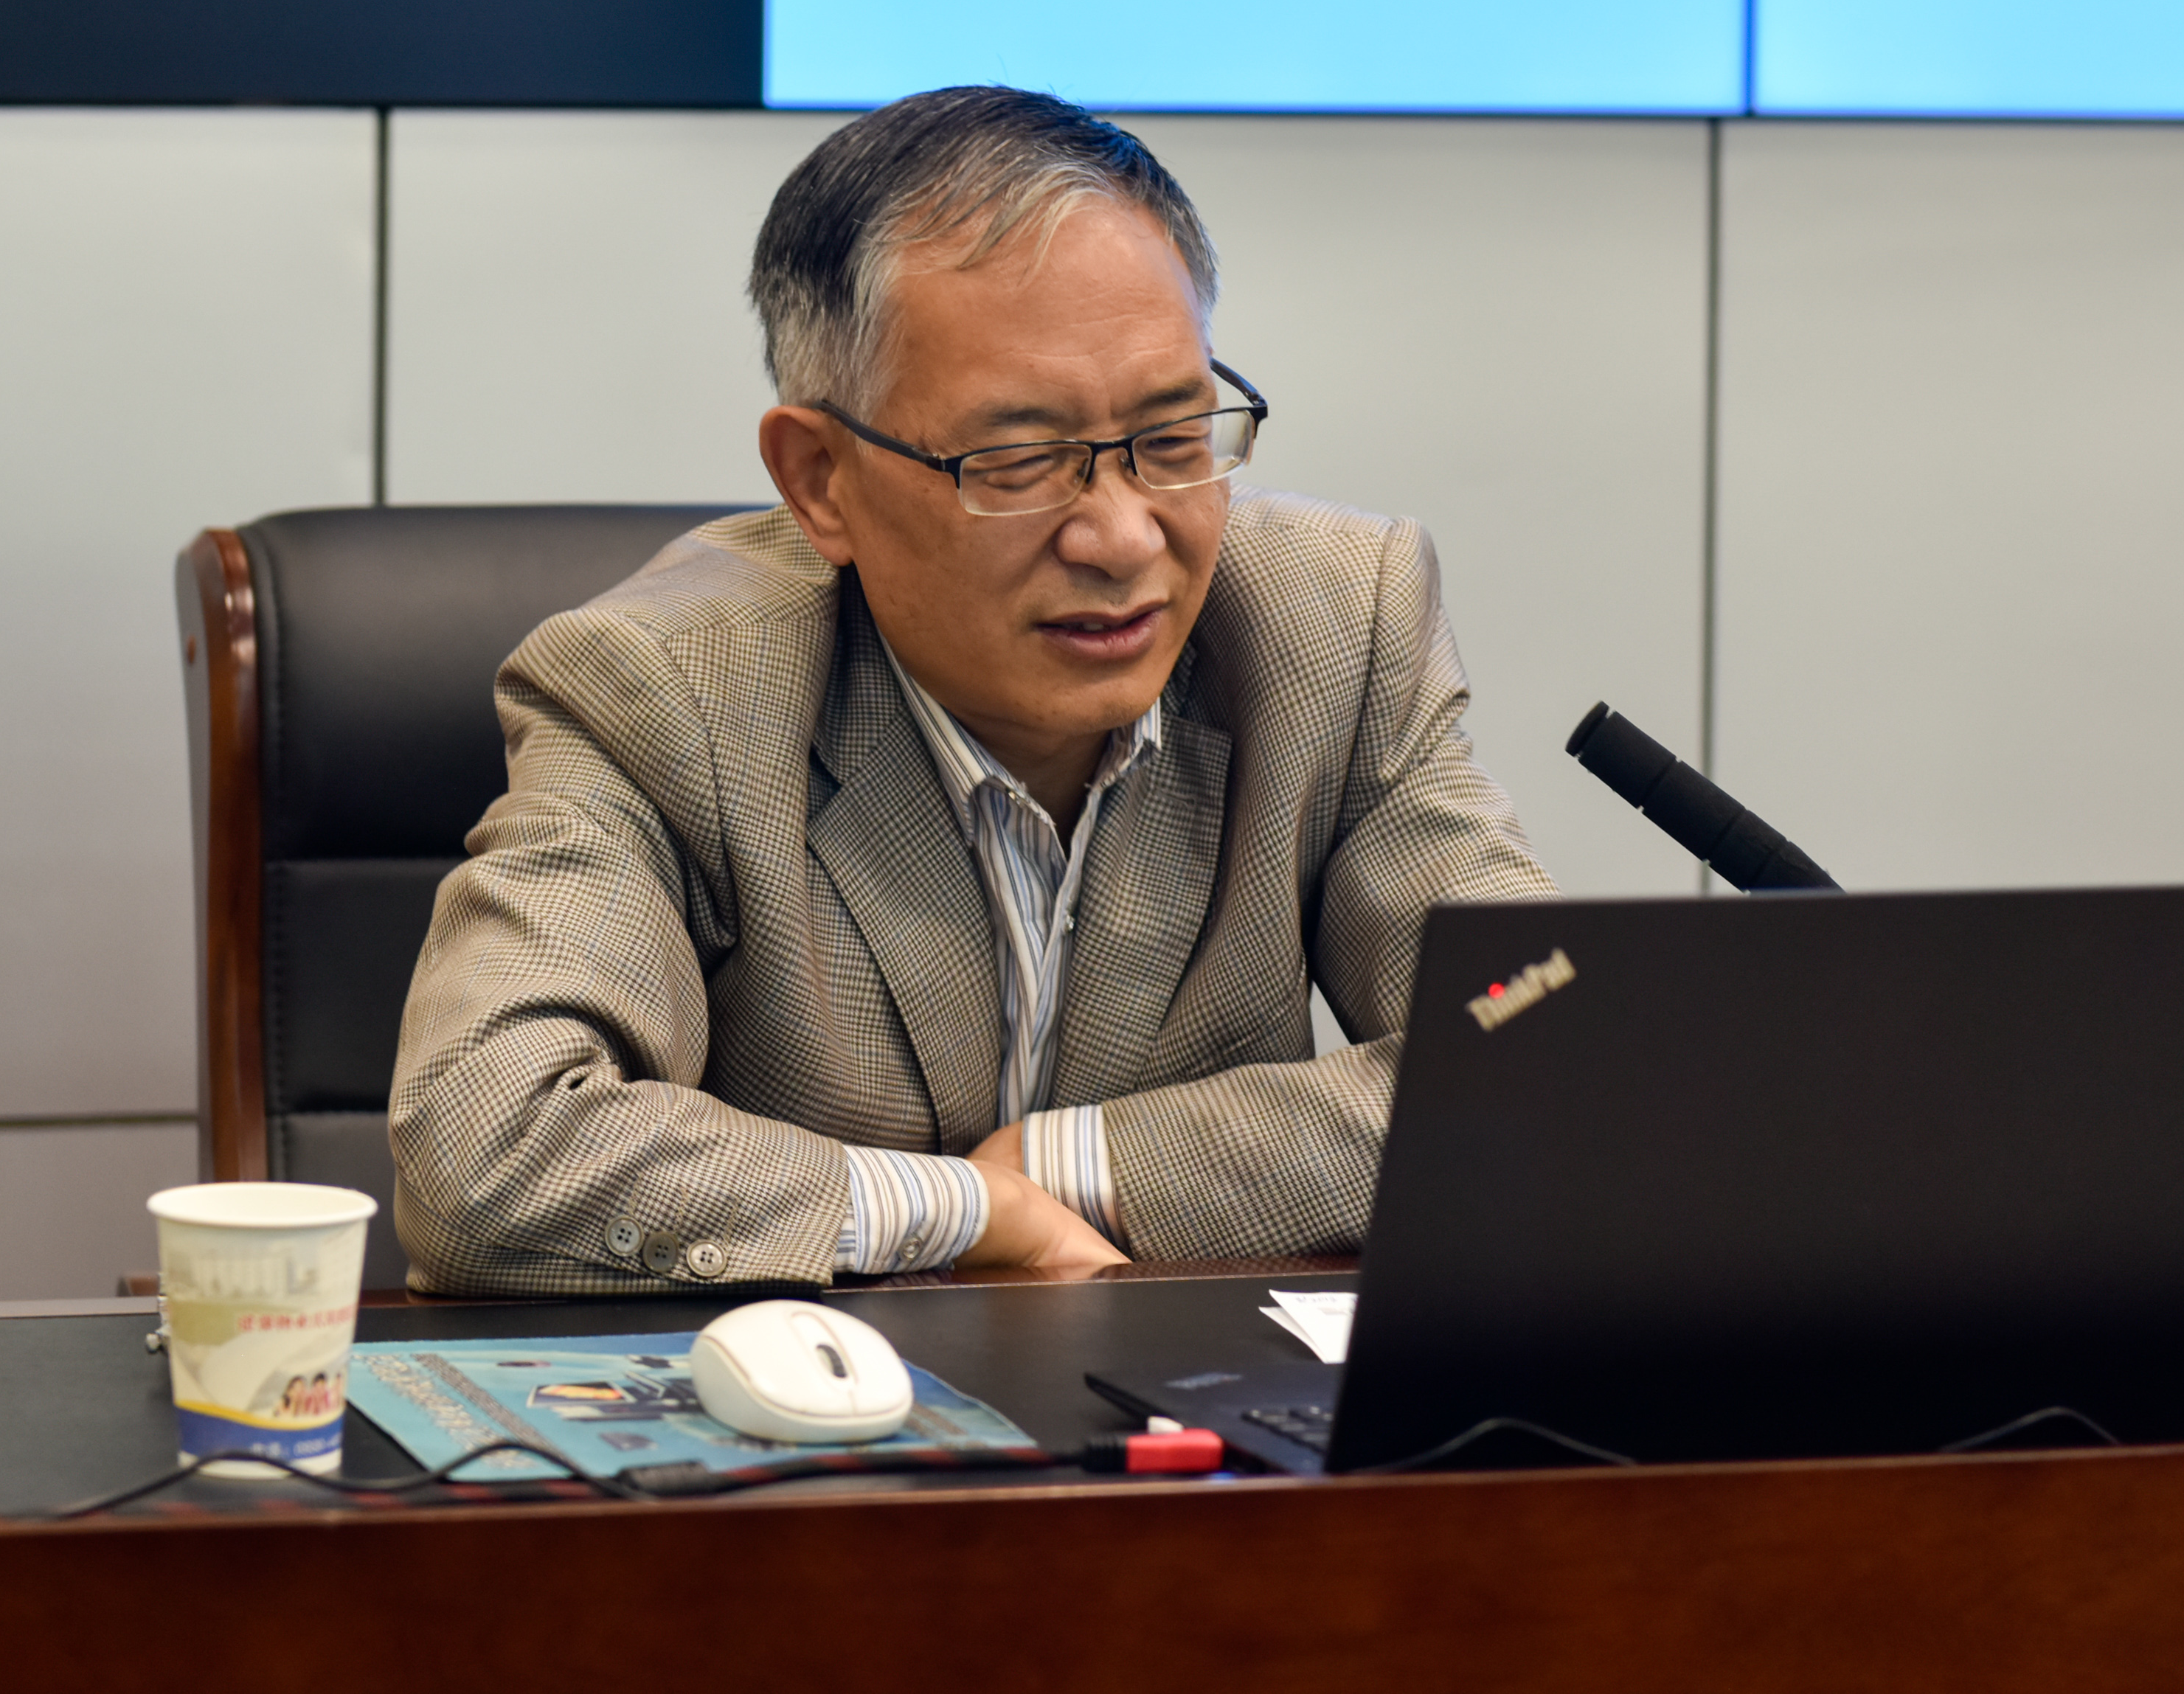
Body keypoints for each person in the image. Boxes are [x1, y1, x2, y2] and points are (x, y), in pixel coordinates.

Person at [389, 87, 1556, 1296]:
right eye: (1020, 460)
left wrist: (1083, 1166)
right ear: (822, 479)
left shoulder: (1334, 629)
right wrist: (959, 1210)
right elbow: (488, 1146)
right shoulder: (667, 690)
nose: (1122, 537)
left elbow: (1539, 1043)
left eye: (1172, 439)